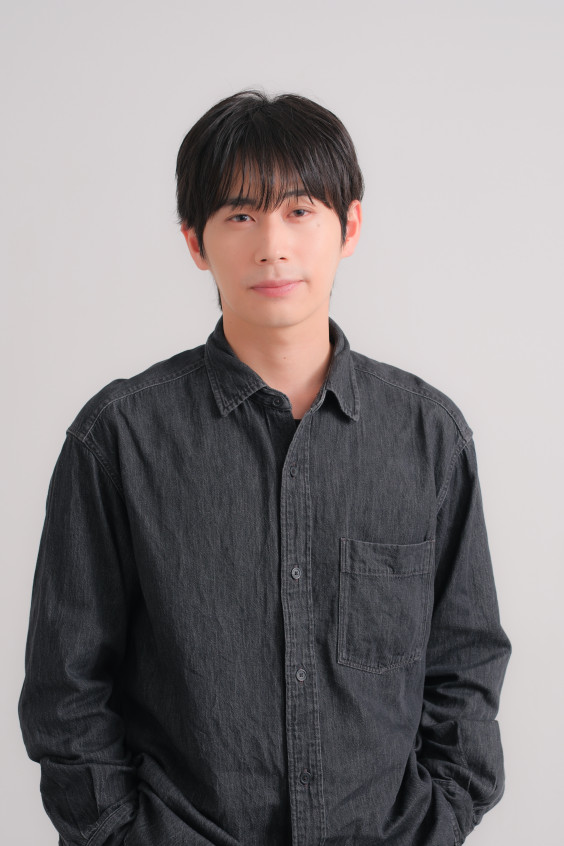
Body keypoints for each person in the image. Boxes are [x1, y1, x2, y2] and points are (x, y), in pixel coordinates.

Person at [19, 91, 510, 846]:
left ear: (349, 226)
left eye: (300, 211)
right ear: (195, 241)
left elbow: (465, 662)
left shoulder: (428, 436)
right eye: (241, 215)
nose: (272, 246)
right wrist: (119, 832)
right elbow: (67, 685)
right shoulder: (119, 438)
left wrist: (437, 817)